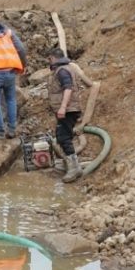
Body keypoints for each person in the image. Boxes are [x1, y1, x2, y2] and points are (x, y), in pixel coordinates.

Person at [50, 54, 84, 182]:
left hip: (68, 109)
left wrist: (63, 107)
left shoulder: (62, 70)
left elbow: (68, 88)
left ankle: (74, 169)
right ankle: (74, 167)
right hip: (69, 109)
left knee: (64, 137)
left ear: (53, 58)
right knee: (62, 136)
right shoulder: (66, 68)